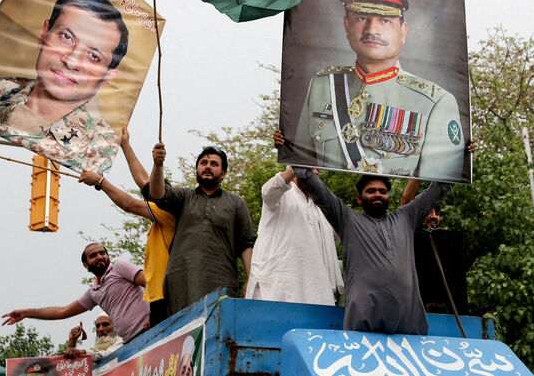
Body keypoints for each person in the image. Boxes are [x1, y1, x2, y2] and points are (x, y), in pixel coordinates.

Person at [291, 0, 465, 180]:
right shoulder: (321, 86)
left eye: (385, 20)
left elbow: (436, 188)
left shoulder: (436, 102)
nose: (372, 29)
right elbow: (300, 165)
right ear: (347, 26)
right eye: (362, 18)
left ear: (404, 31)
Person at [0, 0, 129, 174]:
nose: (71, 61)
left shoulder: (102, 153)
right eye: (66, 37)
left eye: (93, 56)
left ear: (106, 78)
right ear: (44, 34)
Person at [293, 168, 451, 335]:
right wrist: (290, 148)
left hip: (408, 325)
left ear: (388, 196)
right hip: (364, 325)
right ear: (359, 199)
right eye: (371, 191)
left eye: (382, 191)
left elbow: (437, 189)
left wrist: (460, 156)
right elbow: (318, 190)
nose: (378, 194)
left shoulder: (405, 218)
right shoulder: (348, 220)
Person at [79, 127, 176, 326]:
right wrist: (125, 144)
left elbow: (129, 204)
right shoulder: (159, 220)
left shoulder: (168, 214)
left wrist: (100, 181)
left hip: (168, 295)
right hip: (159, 295)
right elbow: (143, 181)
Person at [147, 143, 256, 315]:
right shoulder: (184, 197)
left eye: (214, 164)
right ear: (197, 169)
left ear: (223, 173)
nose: (208, 167)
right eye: (203, 163)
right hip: (181, 280)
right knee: (185, 334)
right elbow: (157, 194)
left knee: (218, 329)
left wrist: (251, 279)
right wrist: (158, 165)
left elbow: (246, 244)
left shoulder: (235, 202)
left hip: (221, 279)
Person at [245, 131, 343, 305]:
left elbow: (345, 230)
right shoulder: (280, 194)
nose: (311, 172)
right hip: (277, 290)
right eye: (307, 166)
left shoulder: (323, 208)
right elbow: (269, 190)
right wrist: (293, 159)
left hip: (317, 293)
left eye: (314, 168)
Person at [1, 242, 149, 341]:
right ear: (86, 265)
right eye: (93, 255)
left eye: (102, 253)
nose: (99, 257)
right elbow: (62, 311)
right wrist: (26, 313)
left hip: (151, 330)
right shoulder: (93, 292)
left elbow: (151, 284)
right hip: (131, 341)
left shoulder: (120, 268)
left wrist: (156, 315)